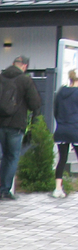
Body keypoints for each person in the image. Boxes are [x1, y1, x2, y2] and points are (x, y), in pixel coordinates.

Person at [0, 52, 41, 200]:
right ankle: (5, 191)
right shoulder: (25, 81)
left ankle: (2, 189)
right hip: (16, 125)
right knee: (13, 156)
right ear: (25, 66)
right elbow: (35, 104)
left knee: (6, 156)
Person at [53, 67, 78, 198]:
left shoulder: (60, 92)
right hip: (75, 130)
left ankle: (57, 189)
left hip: (61, 130)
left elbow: (55, 112)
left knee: (62, 159)